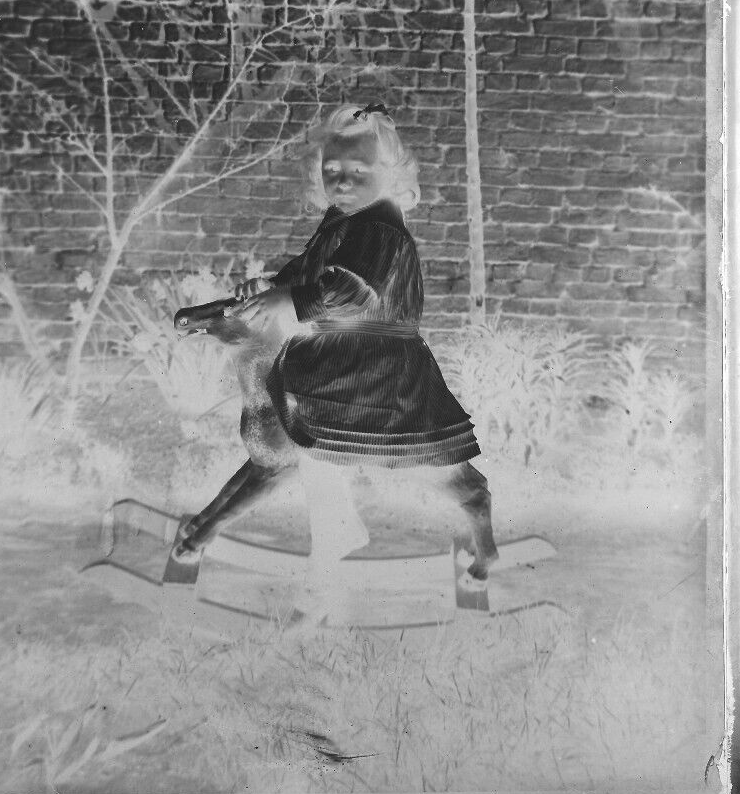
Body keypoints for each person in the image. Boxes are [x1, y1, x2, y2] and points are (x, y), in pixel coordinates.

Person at [169, 101, 498, 619]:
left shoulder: (379, 230)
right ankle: (334, 542)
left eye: (358, 173)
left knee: (336, 453)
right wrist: (276, 284)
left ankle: (327, 576)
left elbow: (344, 291)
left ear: (389, 177)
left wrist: (288, 302)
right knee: (303, 446)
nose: (342, 181)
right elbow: (311, 266)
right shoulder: (343, 218)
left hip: (369, 366)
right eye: (333, 171)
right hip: (339, 360)